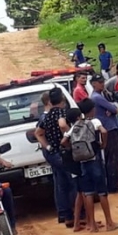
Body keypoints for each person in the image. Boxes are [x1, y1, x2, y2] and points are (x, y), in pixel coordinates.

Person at [62, 99, 118, 232]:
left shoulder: (75, 125)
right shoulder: (94, 121)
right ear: (91, 110)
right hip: (94, 160)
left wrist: (74, 149)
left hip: (82, 163)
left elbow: (64, 141)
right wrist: (103, 145)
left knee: (88, 193)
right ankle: (109, 223)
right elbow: (104, 132)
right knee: (102, 192)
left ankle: (93, 226)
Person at [34, 87, 78, 227]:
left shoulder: (46, 117)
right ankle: (77, 216)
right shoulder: (62, 113)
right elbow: (63, 125)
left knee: (61, 185)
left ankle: (65, 215)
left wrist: (47, 146)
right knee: (73, 183)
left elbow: (38, 133)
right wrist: (68, 137)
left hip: (53, 153)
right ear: (62, 99)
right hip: (64, 152)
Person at [91, 74, 118, 193]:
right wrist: (111, 110)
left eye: (102, 82)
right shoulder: (97, 97)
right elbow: (115, 109)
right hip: (109, 129)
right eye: (99, 82)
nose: (102, 84)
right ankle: (114, 186)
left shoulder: (101, 95)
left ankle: (112, 184)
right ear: (93, 84)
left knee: (110, 158)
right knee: (113, 158)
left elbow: (113, 108)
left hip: (108, 127)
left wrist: (111, 109)